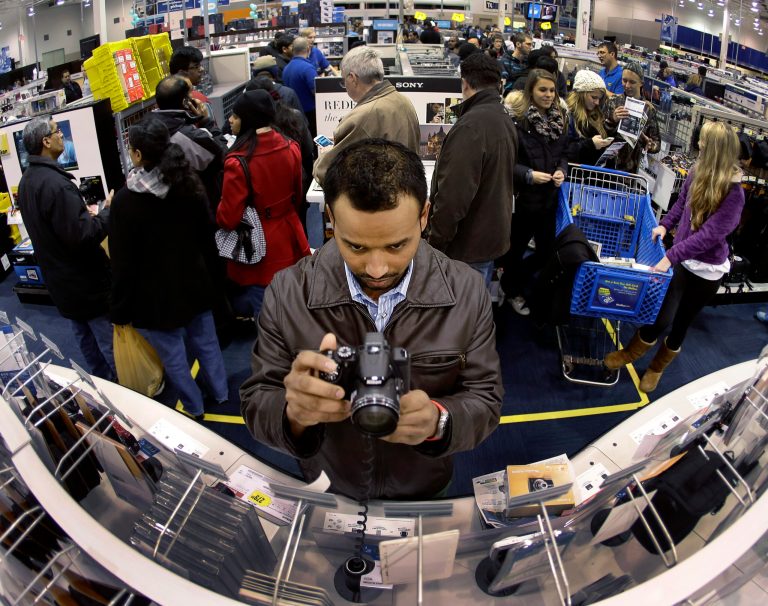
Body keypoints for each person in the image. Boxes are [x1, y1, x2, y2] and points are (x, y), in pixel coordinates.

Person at [240, 139, 503, 500]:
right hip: (329, 487)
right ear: (329, 218)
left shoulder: (467, 291)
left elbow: (486, 399)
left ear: (424, 217)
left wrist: (438, 421)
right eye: (356, 246)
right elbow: (256, 400)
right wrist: (294, 415)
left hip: (423, 487)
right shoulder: (288, 292)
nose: (377, 269)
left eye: (396, 245)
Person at [604, 122, 745, 392]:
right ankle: (630, 353)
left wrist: (671, 255)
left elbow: (710, 236)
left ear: (713, 148)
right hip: (681, 261)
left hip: (707, 271)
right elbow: (682, 203)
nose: (698, 144)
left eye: (703, 141)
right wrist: (665, 225)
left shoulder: (734, 194)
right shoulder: (696, 171)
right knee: (661, 317)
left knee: (681, 324)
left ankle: (657, 367)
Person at [109, 118, 228, 420]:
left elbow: (122, 261)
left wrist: (120, 310)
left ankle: (193, 406)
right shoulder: (186, 182)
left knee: (174, 356)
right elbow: (207, 234)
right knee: (207, 342)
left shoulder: (125, 201)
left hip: (155, 297)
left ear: (136, 155)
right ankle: (222, 392)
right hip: (195, 282)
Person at [17, 116, 115, 381]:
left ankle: (106, 388)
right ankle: (129, 396)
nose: (62, 135)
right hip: (85, 281)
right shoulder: (57, 185)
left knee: (85, 339)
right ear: (46, 141)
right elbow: (85, 235)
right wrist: (107, 212)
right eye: (57, 131)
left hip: (61, 281)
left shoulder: (27, 181)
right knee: (108, 343)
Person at [216, 90, 310, 320]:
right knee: (292, 307)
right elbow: (298, 195)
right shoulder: (291, 147)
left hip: (259, 247)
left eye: (235, 116)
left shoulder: (237, 161)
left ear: (248, 119)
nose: (230, 120)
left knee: (267, 318)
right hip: (289, 234)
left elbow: (228, 217)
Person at [427, 53, 518, 286]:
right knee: (475, 311)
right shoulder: (502, 118)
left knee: (460, 315)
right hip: (487, 238)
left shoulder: (470, 127)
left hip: (466, 248)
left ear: (464, 83)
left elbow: (453, 198)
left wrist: (434, 243)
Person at [499, 69, 569, 316]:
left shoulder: (561, 120)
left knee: (545, 253)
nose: (548, 95)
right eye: (543, 90)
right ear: (531, 91)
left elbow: (564, 155)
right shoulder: (517, 122)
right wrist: (528, 175)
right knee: (515, 250)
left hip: (549, 201)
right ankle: (511, 290)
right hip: (523, 201)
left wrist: (561, 170)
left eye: (552, 90)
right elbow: (506, 162)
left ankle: (512, 279)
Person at [312, 46, 420, 185]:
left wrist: (327, 153)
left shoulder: (364, 115)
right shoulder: (403, 101)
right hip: (405, 194)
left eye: (343, 80)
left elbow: (324, 172)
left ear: (352, 78)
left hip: (377, 202)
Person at [153, 75, 226, 215]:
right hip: (200, 210)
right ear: (186, 102)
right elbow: (225, 157)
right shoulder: (193, 137)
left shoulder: (144, 132)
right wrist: (207, 122)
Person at [604, 62, 661, 174]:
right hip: (606, 166)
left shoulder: (648, 109)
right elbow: (600, 133)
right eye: (624, 80)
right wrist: (612, 120)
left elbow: (657, 143)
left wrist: (649, 144)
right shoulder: (613, 102)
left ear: (641, 83)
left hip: (631, 172)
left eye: (632, 82)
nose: (627, 85)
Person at [566, 70, 615, 165]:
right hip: (572, 174)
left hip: (591, 174)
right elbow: (564, 150)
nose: (597, 102)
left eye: (599, 99)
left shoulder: (595, 114)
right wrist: (591, 144)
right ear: (581, 94)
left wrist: (606, 151)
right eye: (594, 97)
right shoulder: (568, 116)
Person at [281, 37, 318, 136]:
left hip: (292, 113)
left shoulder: (286, 68)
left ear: (293, 50)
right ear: (308, 49)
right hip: (310, 114)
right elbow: (317, 92)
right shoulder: (308, 68)